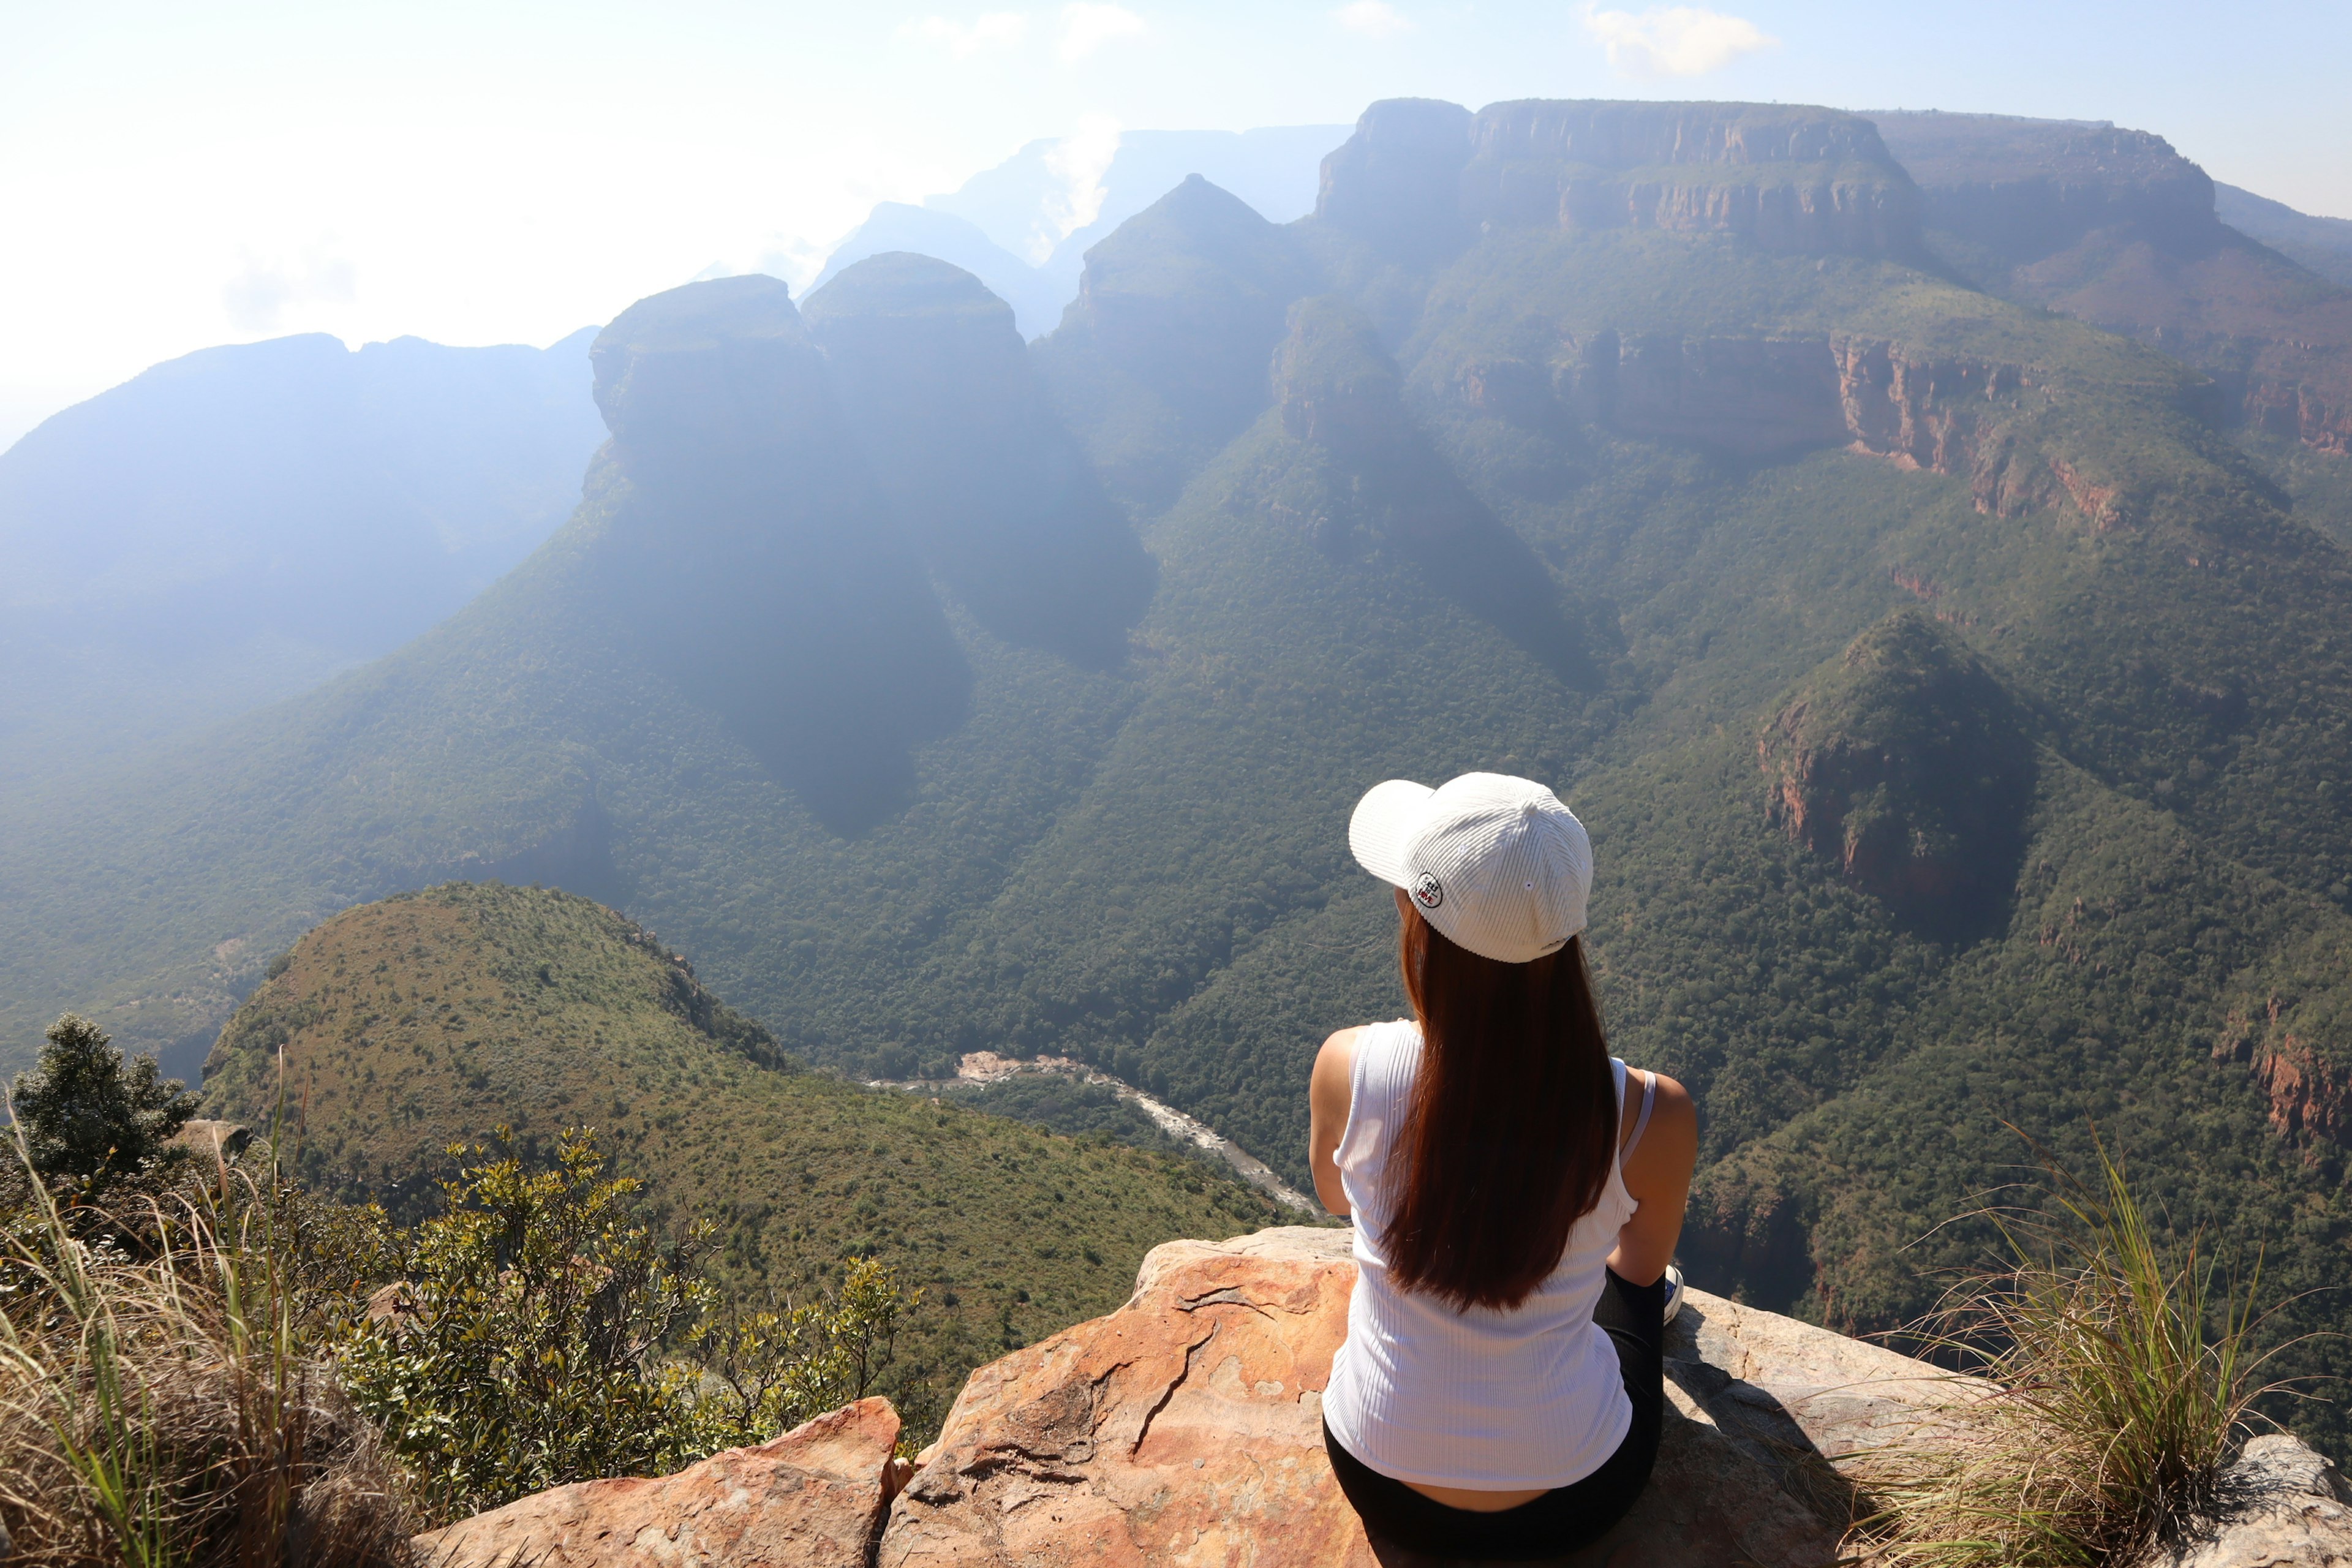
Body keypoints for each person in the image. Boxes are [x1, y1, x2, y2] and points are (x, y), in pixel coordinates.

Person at [1310, 772, 1698, 1562]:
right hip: (1574, 1500)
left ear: (1416, 920)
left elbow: (1333, 1197)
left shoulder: (1349, 1068)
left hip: (1380, 1476)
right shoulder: (1651, 1116)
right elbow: (1639, 1262)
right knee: (1638, 1289)